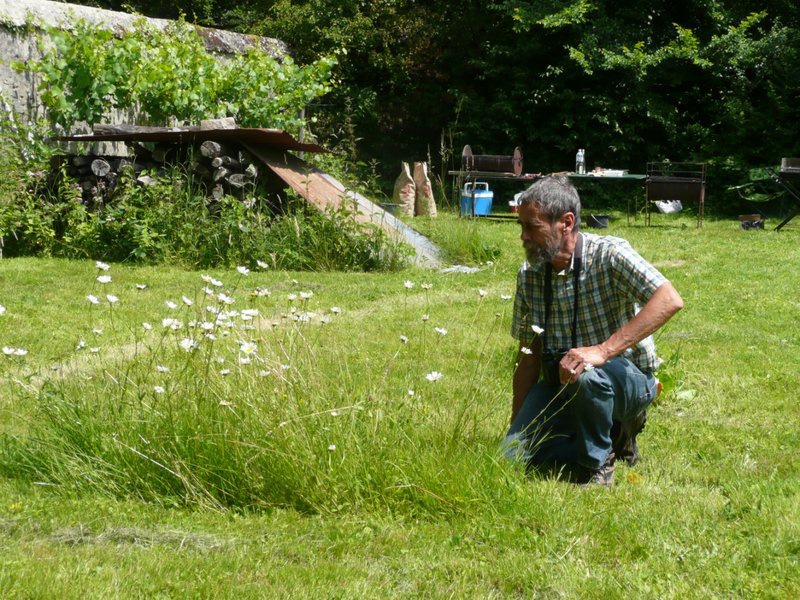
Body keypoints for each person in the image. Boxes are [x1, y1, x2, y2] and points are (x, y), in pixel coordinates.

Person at [502, 176, 683, 486]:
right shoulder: (529, 274)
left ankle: (597, 463)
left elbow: (669, 299)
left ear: (566, 223)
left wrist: (602, 351)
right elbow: (528, 357)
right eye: (522, 227)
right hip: (560, 383)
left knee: (585, 372)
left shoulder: (609, 254)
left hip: (625, 379)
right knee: (514, 456)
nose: (524, 237)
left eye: (532, 227)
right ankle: (611, 434)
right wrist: (518, 429)